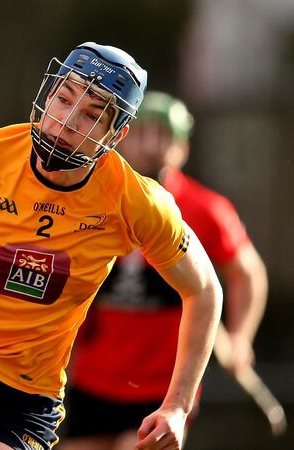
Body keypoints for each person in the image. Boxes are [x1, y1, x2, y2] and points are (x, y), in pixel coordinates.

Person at [0, 42, 223, 450]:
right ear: (46, 95)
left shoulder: (135, 202)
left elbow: (203, 290)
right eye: (63, 99)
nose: (66, 122)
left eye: (92, 115)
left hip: (22, 397)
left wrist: (177, 407)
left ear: (117, 134)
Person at [61, 92, 268, 450]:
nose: (150, 148)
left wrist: (240, 337)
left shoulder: (206, 210)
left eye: (163, 137)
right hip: (93, 378)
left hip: (164, 386)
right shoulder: (90, 196)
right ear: (122, 138)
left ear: (182, 148)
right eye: (141, 135)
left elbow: (247, 273)